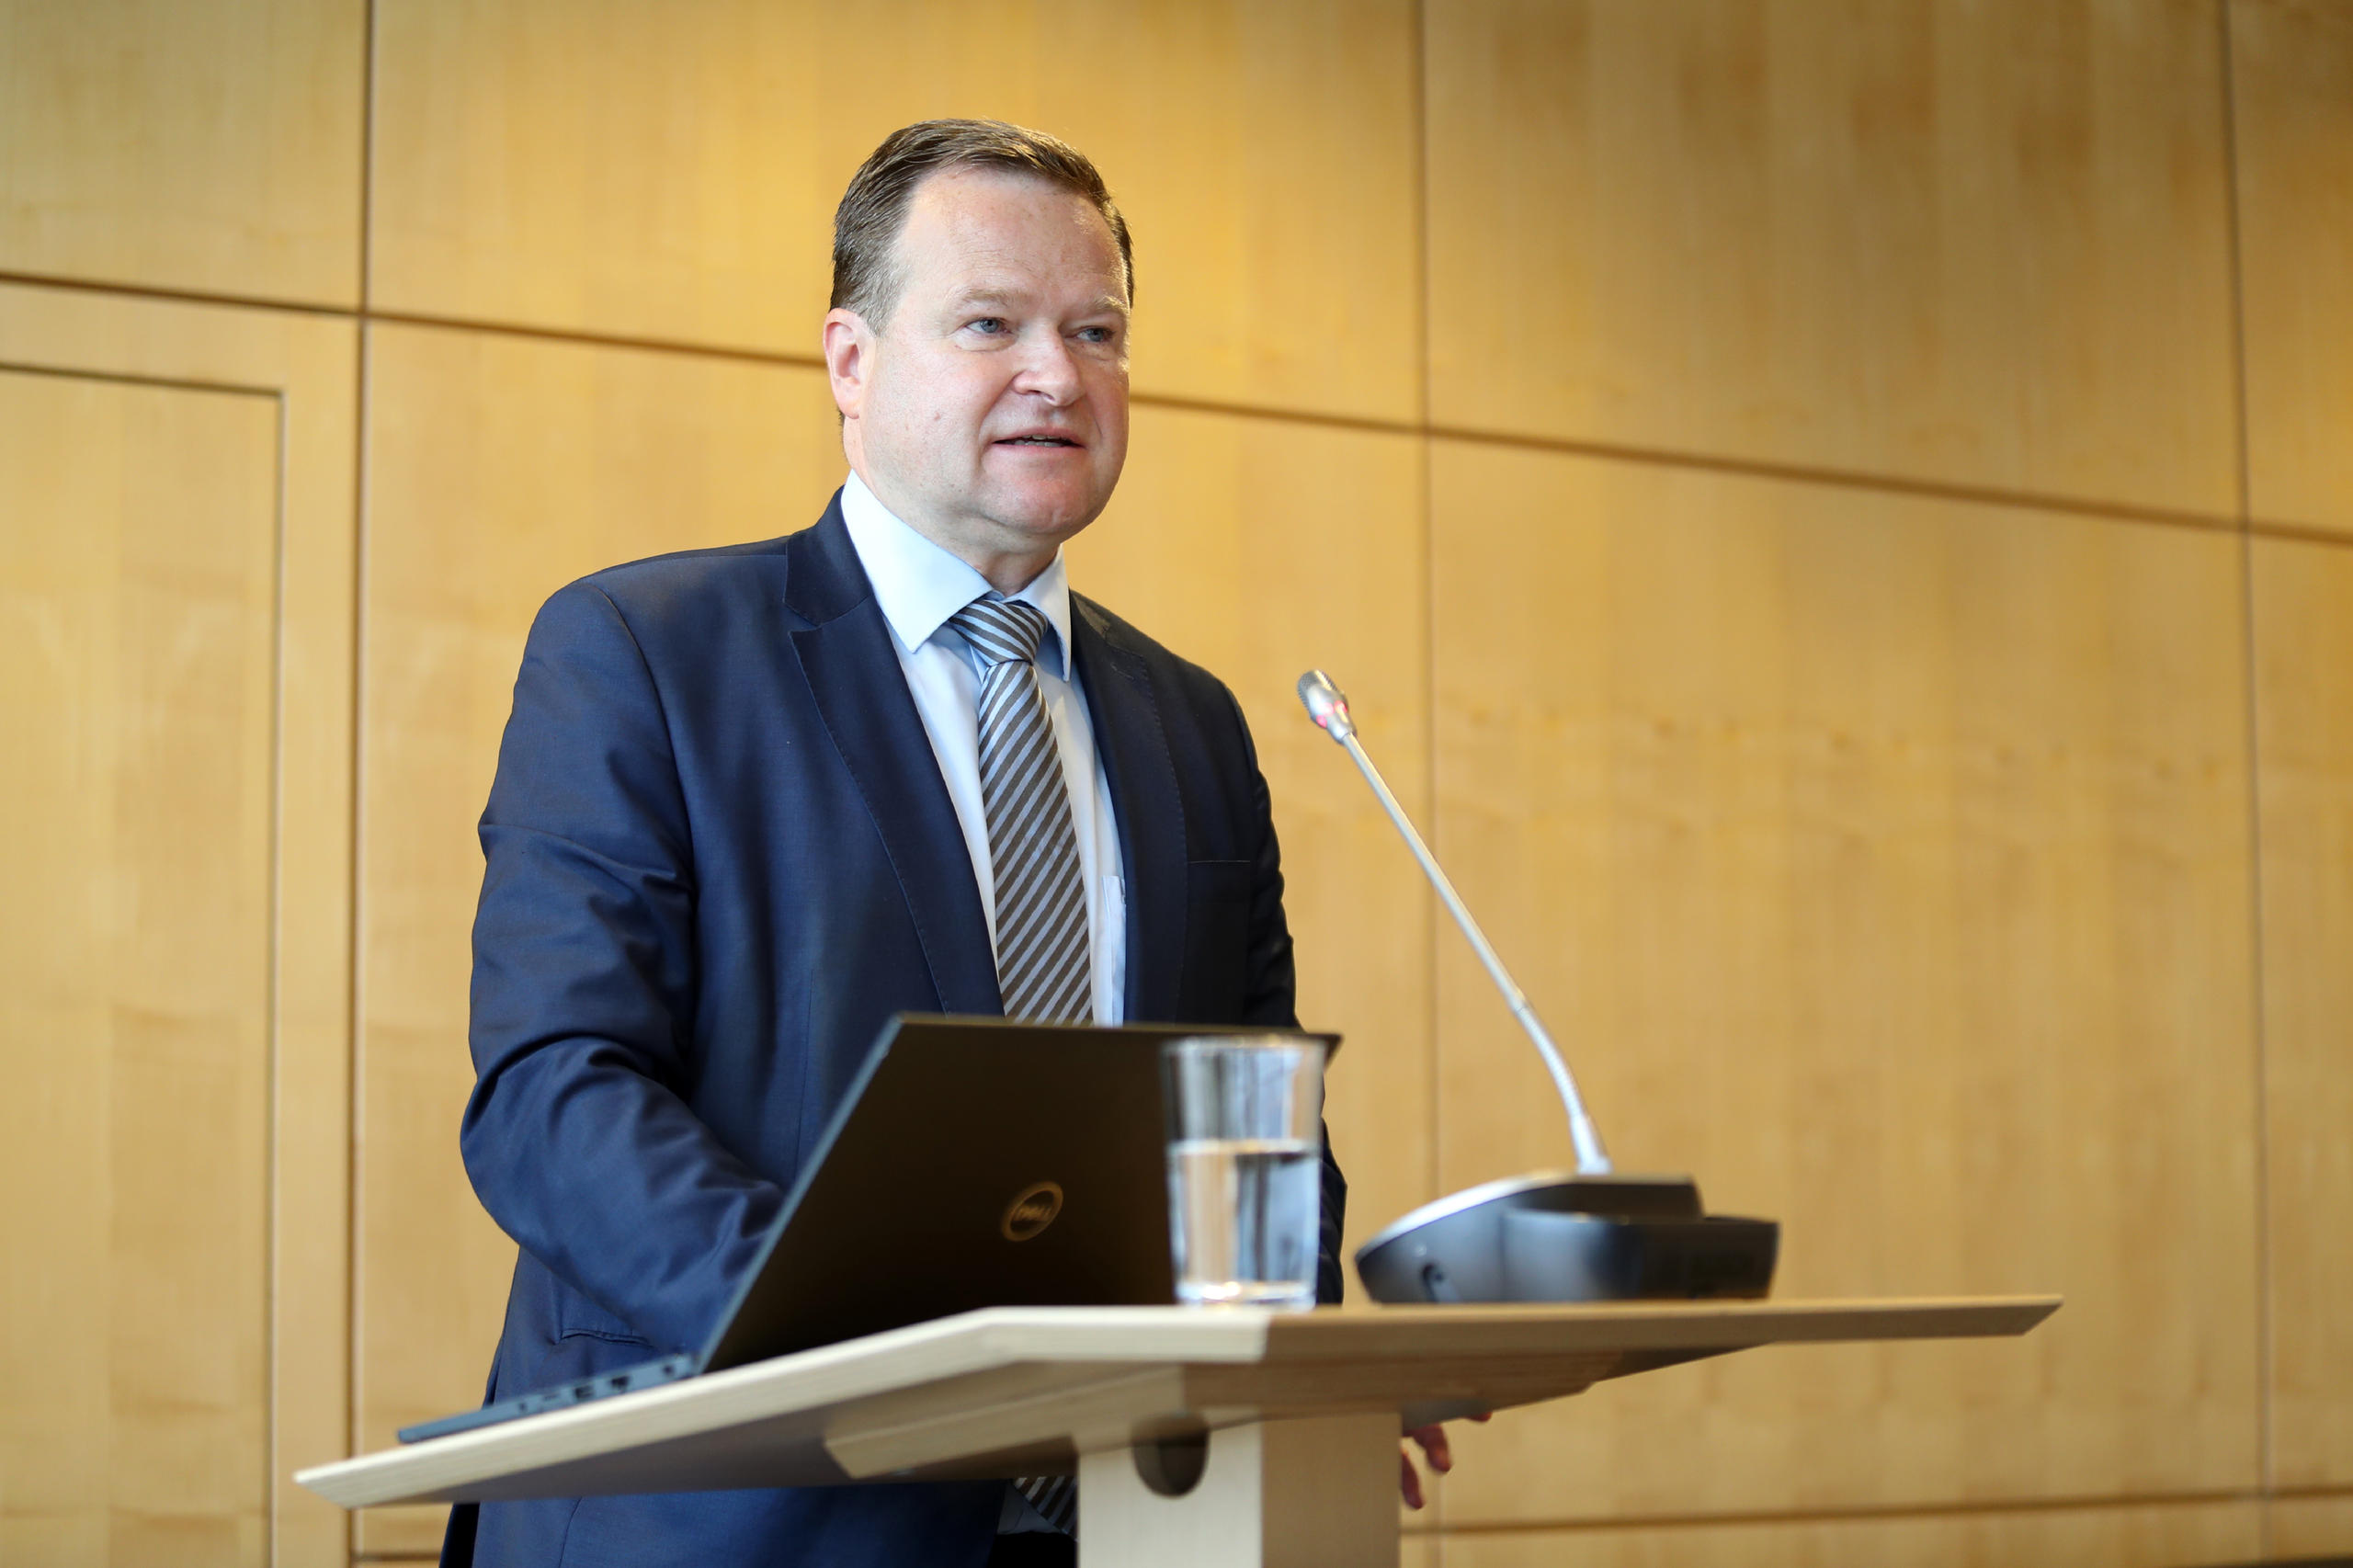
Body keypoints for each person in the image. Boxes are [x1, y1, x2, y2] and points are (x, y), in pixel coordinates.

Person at [444, 119, 1455, 1568]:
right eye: (991, 323)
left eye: (1097, 329)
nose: (1059, 373)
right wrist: (881, 1333)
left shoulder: (1194, 727)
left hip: (1122, 1529)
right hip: (737, 1521)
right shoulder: (645, 654)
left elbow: (1250, 1120)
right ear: (851, 364)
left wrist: (1302, 1357)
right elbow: (554, 1096)